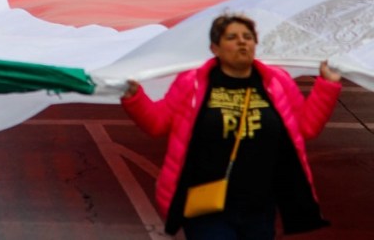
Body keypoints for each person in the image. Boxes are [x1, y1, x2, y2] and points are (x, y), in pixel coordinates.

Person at [121, 14, 341, 238]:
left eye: (248, 37)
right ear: (215, 48)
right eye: (232, 37)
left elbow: (307, 127)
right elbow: (157, 123)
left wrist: (327, 85)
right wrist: (134, 97)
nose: (242, 42)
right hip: (207, 203)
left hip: (260, 206)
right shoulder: (192, 83)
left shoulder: (277, 82)